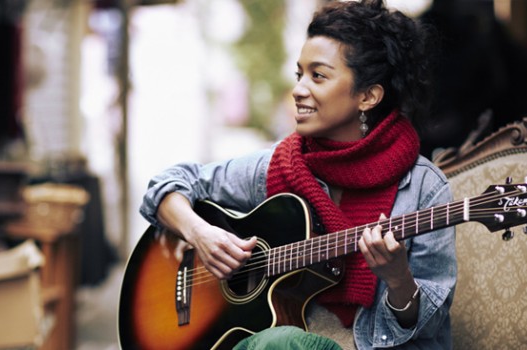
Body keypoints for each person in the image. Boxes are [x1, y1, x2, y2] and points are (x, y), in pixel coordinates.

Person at [139, 0, 457, 348]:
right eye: (299, 74)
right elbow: (169, 184)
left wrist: (399, 280)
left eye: (318, 76)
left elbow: (431, 330)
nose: (299, 89)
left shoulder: (424, 191)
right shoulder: (284, 164)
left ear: (368, 96)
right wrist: (200, 234)